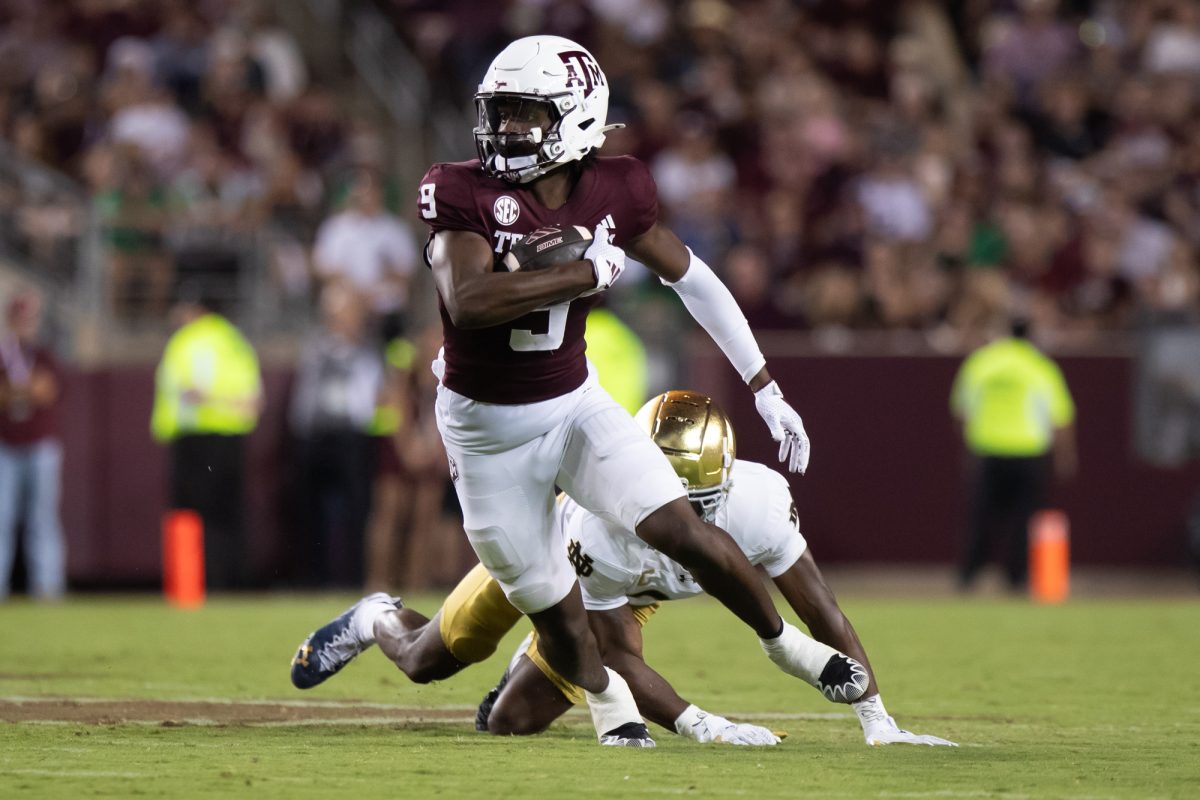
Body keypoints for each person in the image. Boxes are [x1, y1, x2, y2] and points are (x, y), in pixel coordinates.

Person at [292, 35, 858, 749]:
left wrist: (764, 382)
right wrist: (581, 274)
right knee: (485, 643)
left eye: (526, 114)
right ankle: (381, 619)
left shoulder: (618, 188)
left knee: (683, 528)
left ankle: (785, 647)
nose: (507, 131)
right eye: (500, 114)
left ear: (579, 117)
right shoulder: (460, 190)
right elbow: (467, 301)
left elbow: (693, 278)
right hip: (487, 432)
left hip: (573, 407)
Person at [289, 391, 954, 748]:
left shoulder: (758, 505)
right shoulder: (598, 525)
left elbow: (821, 610)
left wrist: (876, 718)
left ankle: (519, 675)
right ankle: (376, 615)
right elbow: (607, 651)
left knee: (508, 724)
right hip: (542, 561)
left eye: (701, 505)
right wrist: (702, 724)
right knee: (429, 658)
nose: (686, 521)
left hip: (624, 596)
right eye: (674, 501)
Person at [950, 317, 1077, 590]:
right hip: (1028, 451)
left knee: (981, 516)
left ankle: (968, 575)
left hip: (988, 449)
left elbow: (961, 411)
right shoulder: (1040, 367)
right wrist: (1065, 457)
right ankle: (1016, 578)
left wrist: (967, 446)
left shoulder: (981, 363)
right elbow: (1061, 418)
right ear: (1030, 335)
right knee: (1024, 519)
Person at [150, 288, 263, 590]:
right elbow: (253, 399)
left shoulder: (188, 340)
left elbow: (187, 391)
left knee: (190, 517)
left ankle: (189, 585)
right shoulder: (236, 340)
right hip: (232, 438)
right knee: (229, 515)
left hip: (195, 440)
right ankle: (231, 583)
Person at [287, 284, 383, 587]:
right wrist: (300, 429)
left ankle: (353, 579)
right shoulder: (316, 346)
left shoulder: (368, 349)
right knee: (310, 512)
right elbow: (306, 393)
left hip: (351, 437)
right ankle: (314, 578)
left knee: (356, 511)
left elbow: (372, 393)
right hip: (316, 436)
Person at [0, 289, 67, 602]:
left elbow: (46, 392)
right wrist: (24, 390)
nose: (24, 325)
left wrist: (15, 391)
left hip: (40, 446)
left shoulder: (43, 355)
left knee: (43, 517)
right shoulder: (4, 355)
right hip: (6, 446)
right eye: (19, 319)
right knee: (3, 517)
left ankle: (47, 587)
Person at [312, 168, 418, 343]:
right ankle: (341, 348)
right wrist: (354, 291)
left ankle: (391, 346)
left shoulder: (395, 228)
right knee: (335, 299)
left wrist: (374, 288)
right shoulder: (337, 227)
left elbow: (406, 271)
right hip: (348, 290)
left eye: (372, 190)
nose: (367, 196)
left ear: (380, 193)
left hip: (380, 290)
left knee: (394, 296)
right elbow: (323, 268)